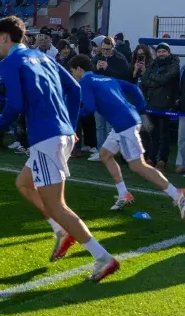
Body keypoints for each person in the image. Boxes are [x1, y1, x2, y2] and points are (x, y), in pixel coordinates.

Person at [0, 15, 119, 283]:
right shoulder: (43, 56)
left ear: (3, 36)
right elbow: (74, 89)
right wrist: (69, 125)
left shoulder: (11, 61)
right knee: (24, 184)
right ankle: (61, 231)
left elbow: (15, 105)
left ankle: (103, 257)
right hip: (58, 134)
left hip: (46, 137)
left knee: (56, 204)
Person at [69, 55, 185, 216]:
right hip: (126, 121)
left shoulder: (85, 82)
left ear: (79, 69)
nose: (73, 74)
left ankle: (178, 194)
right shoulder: (106, 78)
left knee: (138, 165)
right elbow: (133, 88)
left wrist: (71, 117)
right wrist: (142, 111)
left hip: (125, 125)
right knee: (105, 155)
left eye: (72, 71)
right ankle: (124, 194)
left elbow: (89, 108)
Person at [141, 42, 181, 168]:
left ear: (168, 52)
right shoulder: (153, 64)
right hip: (151, 103)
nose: (161, 54)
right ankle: (151, 158)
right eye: (159, 51)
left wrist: (153, 78)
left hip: (166, 104)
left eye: (164, 51)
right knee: (153, 134)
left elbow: (165, 79)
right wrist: (157, 80)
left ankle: (163, 160)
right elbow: (144, 80)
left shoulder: (174, 65)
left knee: (164, 134)